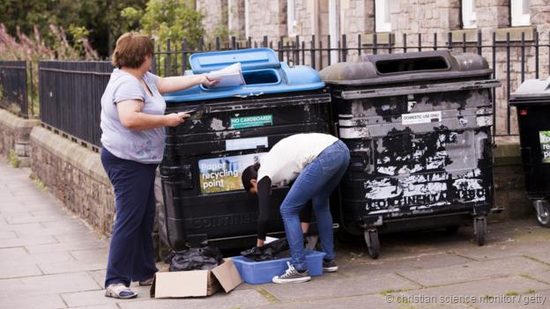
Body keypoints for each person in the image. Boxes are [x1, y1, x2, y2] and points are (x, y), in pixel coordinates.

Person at [100, 32, 217, 299]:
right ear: (143, 56)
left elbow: (165, 83)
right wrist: (169, 120)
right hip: (127, 162)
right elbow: (130, 118)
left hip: (137, 159)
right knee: (129, 219)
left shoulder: (139, 78)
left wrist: (200, 78)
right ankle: (115, 280)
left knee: (144, 217)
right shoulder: (129, 84)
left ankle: (143, 271)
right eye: (150, 54)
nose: (151, 58)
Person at [241, 133, 350, 284]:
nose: (259, 192)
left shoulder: (263, 174)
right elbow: (304, 200)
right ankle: (328, 260)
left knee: (287, 209)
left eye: (255, 191)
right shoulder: (281, 166)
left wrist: (259, 247)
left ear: (254, 181)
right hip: (342, 150)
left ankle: (300, 269)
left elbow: (264, 216)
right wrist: (303, 232)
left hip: (325, 154)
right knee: (320, 203)